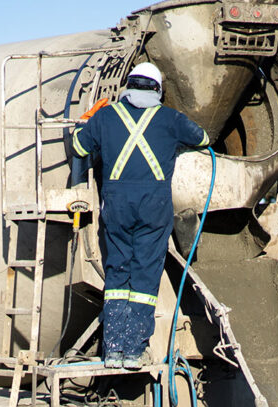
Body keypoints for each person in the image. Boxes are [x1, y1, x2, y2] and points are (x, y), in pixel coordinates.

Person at [71, 62, 209, 369]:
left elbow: (78, 146)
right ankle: (134, 351)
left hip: (116, 204)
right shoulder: (170, 118)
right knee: (145, 272)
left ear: (128, 86)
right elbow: (202, 139)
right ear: (157, 89)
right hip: (153, 204)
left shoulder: (106, 116)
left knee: (118, 271)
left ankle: (113, 351)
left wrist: (85, 122)